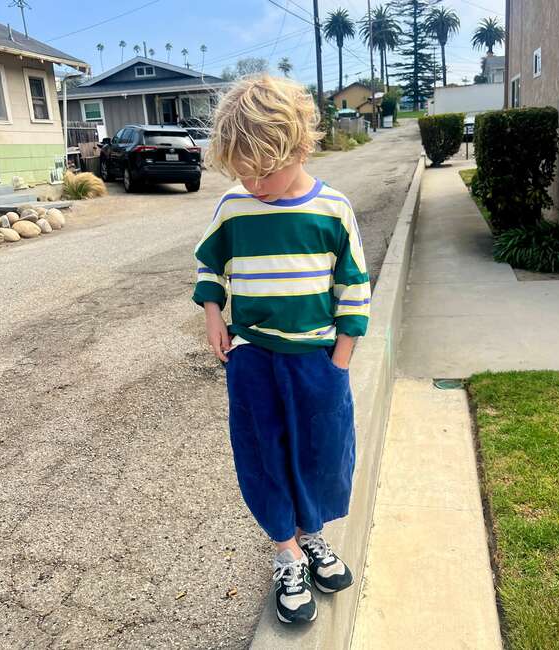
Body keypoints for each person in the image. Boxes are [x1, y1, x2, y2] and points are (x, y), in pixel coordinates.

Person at [192, 75, 370, 625]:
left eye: (264, 169)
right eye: (242, 171)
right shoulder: (234, 207)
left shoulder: (333, 210)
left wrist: (339, 360)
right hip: (252, 360)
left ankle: (312, 533)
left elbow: (354, 287)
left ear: (301, 147)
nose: (254, 182)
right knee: (262, 453)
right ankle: (285, 551)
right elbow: (210, 264)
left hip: (316, 361)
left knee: (320, 451)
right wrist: (214, 314)